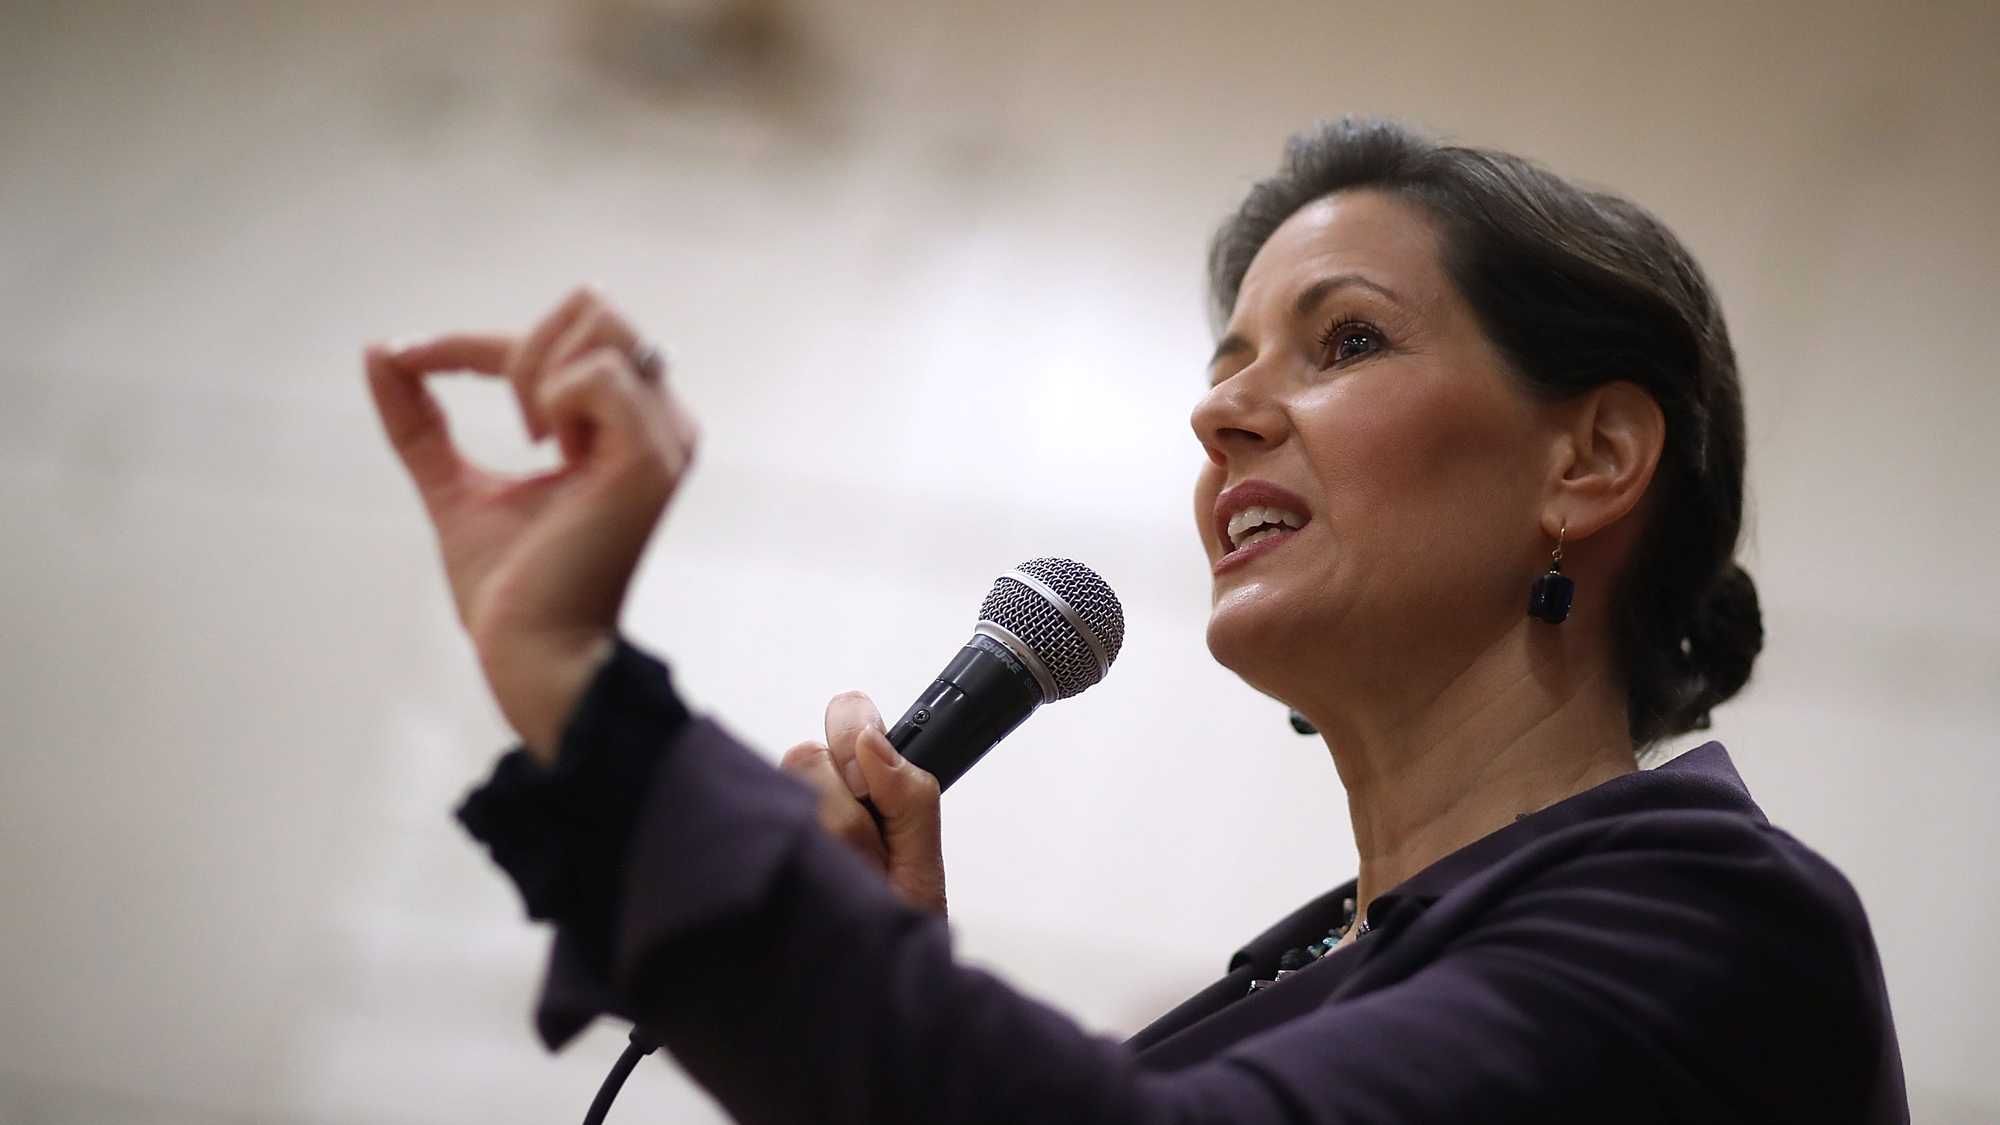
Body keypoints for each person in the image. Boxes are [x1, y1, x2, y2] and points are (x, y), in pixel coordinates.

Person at [365, 117, 1907, 1121]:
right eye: (1228, 364)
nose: (1219, 414)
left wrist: (576, 679)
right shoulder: (1270, 993)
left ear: (1592, 458)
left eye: (1345, 341)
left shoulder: (1712, 925)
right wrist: (882, 976)